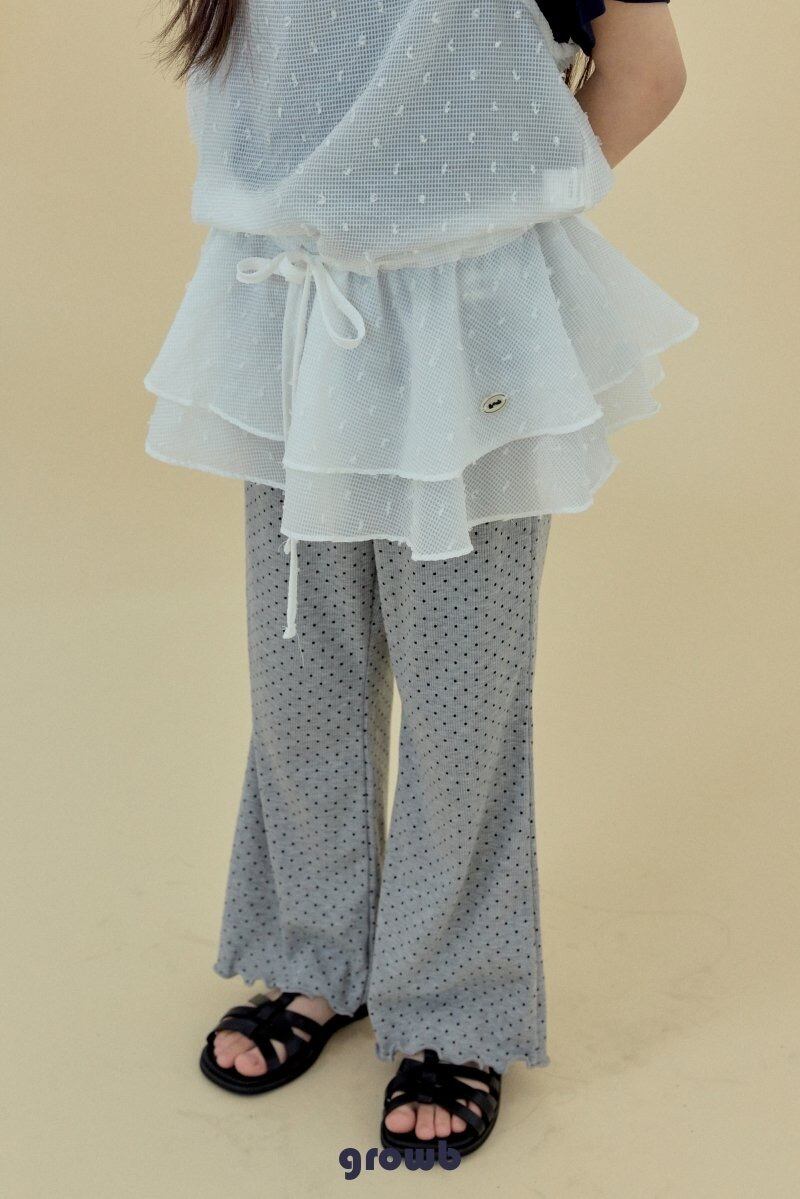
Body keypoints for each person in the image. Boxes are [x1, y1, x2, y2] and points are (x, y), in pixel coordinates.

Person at [144, 0, 696, 1158]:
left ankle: (453, 1002)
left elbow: (645, 68)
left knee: (461, 696)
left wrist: (491, 201)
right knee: (300, 668)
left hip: (466, 320)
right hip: (293, 307)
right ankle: (314, 951)